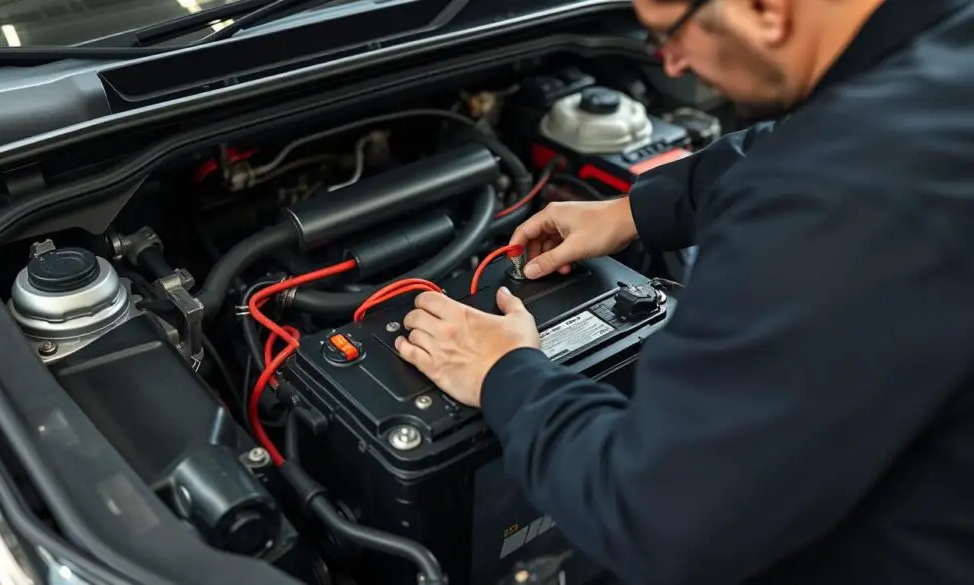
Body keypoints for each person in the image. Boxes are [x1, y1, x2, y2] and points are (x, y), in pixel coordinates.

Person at [394, 0, 974, 583]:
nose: (670, 65)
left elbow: (659, 518)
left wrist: (505, 373)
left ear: (765, 8)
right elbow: (822, 132)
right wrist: (637, 208)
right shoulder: (942, 45)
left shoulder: (837, 204)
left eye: (668, 34)